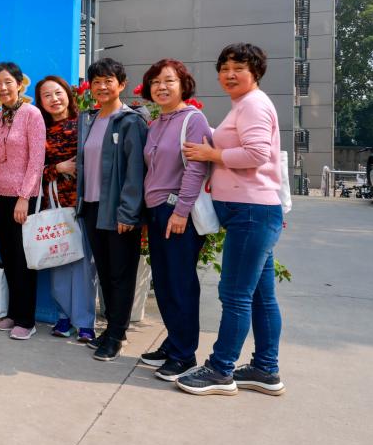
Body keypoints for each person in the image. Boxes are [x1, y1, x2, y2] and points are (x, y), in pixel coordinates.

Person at [178, 43, 286, 396]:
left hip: (250, 212)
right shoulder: (244, 105)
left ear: (255, 72)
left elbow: (257, 154)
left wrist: (212, 154)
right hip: (252, 211)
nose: (229, 74)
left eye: (238, 68)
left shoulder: (253, 104)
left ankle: (220, 369)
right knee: (261, 297)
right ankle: (265, 369)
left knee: (235, 294)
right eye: (224, 68)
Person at [138, 59, 212, 381]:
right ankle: (173, 342)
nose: (161, 87)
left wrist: (181, 211)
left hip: (178, 211)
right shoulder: (156, 123)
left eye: (169, 80)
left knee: (180, 283)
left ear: (183, 85)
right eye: (155, 82)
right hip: (156, 210)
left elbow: (197, 168)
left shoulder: (193, 119)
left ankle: (184, 355)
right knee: (165, 282)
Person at [76, 57, 148, 361]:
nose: (102, 86)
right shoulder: (90, 119)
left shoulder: (130, 121)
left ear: (121, 84)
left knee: (121, 274)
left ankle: (117, 335)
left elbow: (135, 171)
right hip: (92, 207)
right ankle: (112, 329)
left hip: (118, 211)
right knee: (105, 273)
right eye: (97, 82)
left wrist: (128, 212)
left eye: (109, 81)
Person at [34, 75, 97, 344]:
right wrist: (57, 168)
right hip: (54, 205)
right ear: (40, 102)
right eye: (47, 95)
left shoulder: (86, 124)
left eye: (58, 93)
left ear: (68, 95)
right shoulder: (39, 130)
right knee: (58, 260)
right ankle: (63, 317)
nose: (54, 99)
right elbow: (31, 170)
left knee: (83, 265)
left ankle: (84, 322)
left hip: (82, 204)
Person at [0, 62, 46, 340]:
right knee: (9, 257)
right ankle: (12, 313)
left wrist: (24, 197)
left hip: (23, 197)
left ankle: (26, 319)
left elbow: (36, 160)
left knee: (24, 260)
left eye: (8, 82)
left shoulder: (32, 114)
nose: (3, 87)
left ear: (20, 84)